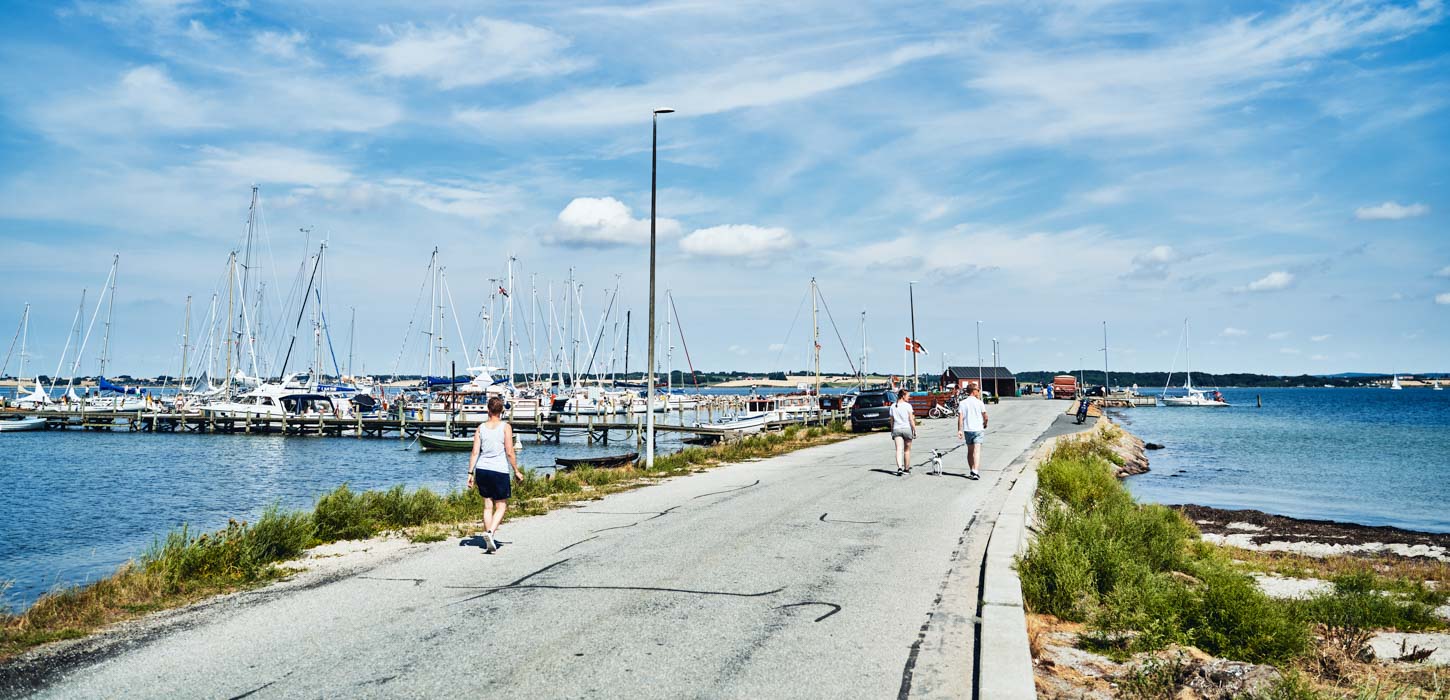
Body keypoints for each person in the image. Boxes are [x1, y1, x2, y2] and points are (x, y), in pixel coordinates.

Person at [467, 396, 525, 553]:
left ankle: (489, 540)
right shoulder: (506, 427)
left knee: (487, 506)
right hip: (499, 470)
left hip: (482, 470)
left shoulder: (480, 428)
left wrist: (470, 473)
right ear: (501, 411)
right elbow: (510, 452)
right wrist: (516, 471)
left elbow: (474, 452)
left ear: (488, 410)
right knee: (501, 506)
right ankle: (490, 532)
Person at [956, 384, 988, 480]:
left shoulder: (962, 403)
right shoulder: (980, 403)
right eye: (978, 390)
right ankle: (975, 471)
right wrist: (985, 423)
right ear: (973, 391)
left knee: (970, 451)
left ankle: (972, 470)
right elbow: (985, 416)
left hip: (967, 430)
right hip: (978, 429)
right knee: (977, 451)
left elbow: (960, 417)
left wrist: (959, 430)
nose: (978, 391)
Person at [890, 388, 917, 475]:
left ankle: (899, 468)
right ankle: (906, 469)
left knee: (898, 449)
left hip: (896, 429)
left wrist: (892, 430)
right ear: (903, 396)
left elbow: (891, 420)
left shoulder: (893, 406)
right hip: (906, 429)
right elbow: (911, 419)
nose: (909, 398)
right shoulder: (908, 406)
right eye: (908, 396)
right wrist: (914, 430)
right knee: (907, 450)